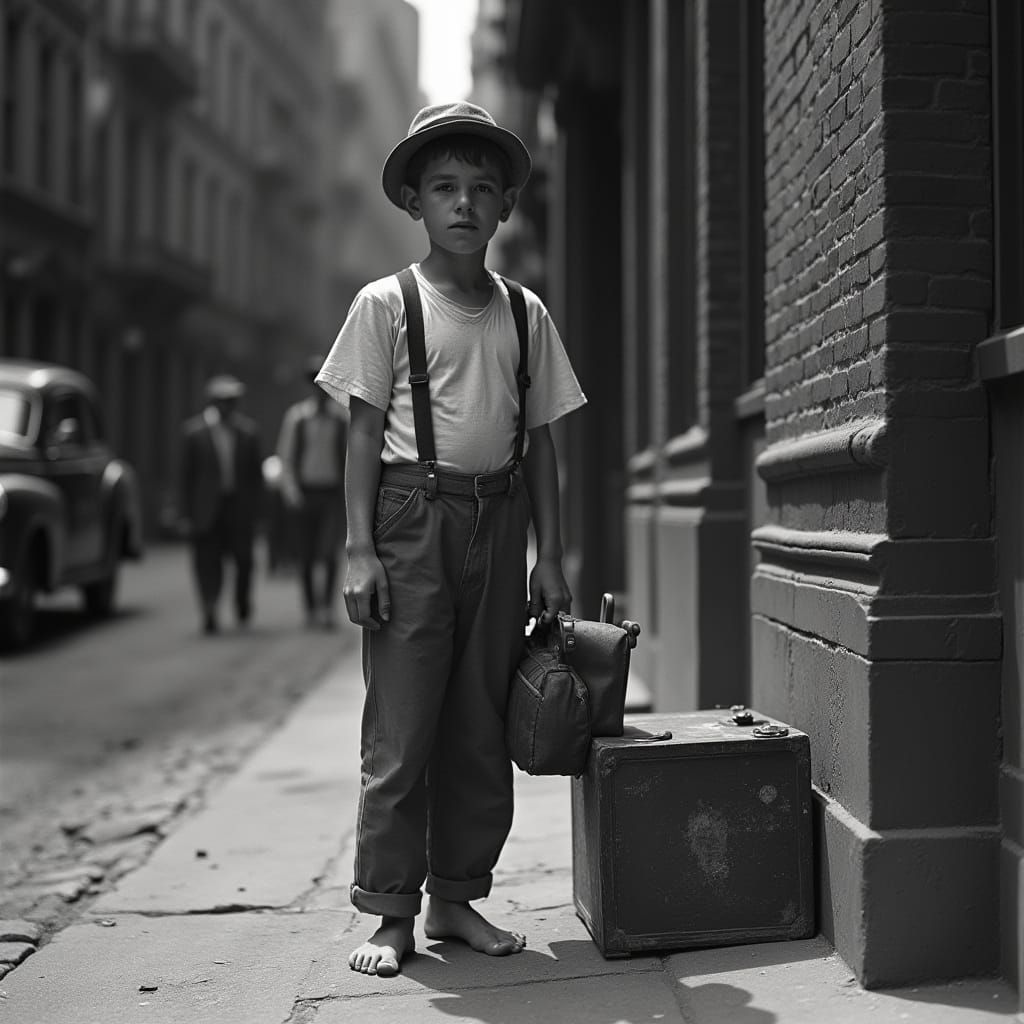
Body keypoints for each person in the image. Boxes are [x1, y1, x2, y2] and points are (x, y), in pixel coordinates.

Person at [315, 101, 587, 978]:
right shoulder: (385, 304)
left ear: (506, 204)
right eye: (443, 189)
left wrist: (554, 554)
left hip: (500, 524)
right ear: (414, 203)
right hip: (408, 523)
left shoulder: (523, 311)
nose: (462, 205)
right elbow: (360, 433)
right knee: (403, 726)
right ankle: (390, 912)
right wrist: (359, 550)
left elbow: (543, 441)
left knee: (478, 721)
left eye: (480, 189)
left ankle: (455, 899)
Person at [179, 374, 264, 634]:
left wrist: (259, 512)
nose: (229, 406)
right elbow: (186, 477)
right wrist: (185, 514)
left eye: (233, 400)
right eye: (225, 401)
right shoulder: (194, 433)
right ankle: (209, 608)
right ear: (214, 402)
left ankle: (241, 603)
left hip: (238, 508)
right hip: (206, 510)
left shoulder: (248, 433)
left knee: (244, 561)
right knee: (206, 561)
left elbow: (255, 477)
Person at [275, 357, 348, 627]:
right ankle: (310, 608)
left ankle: (327, 607)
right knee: (305, 554)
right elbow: (287, 458)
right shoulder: (297, 418)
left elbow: (348, 459)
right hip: (305, 493)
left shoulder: (341, 419)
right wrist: (292, 491)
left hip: (330, 494)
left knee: (329, 553)